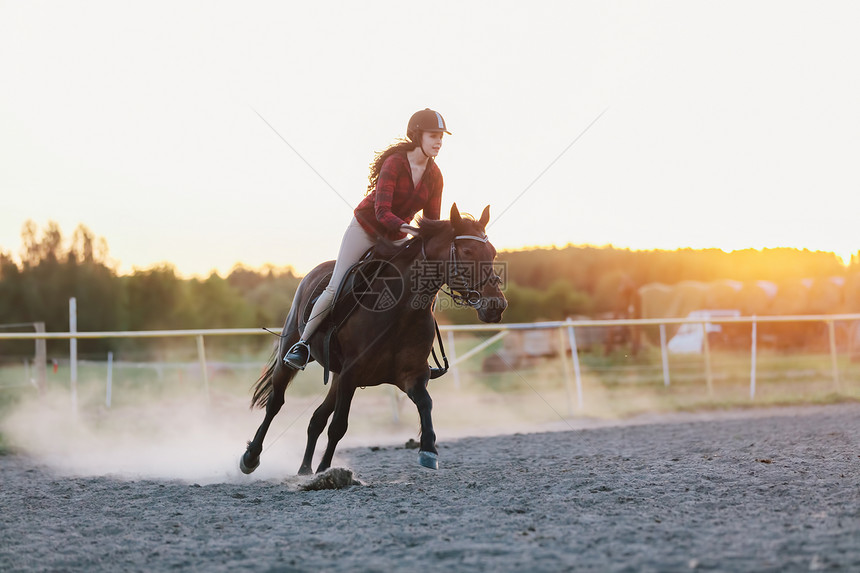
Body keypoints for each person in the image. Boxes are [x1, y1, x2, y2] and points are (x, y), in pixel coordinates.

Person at [283, 108, 450, 369]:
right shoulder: (395, 163)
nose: (439, 141)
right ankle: (302, 345)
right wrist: (410, 230)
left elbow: (431, 222)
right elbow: (382, 212)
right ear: (417, 135)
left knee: (421, 287)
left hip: (397, 237)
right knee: (335, 286)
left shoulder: (435, 175)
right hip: (366, 229)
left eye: (441, 136)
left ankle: (415, 353)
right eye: (433, 135)